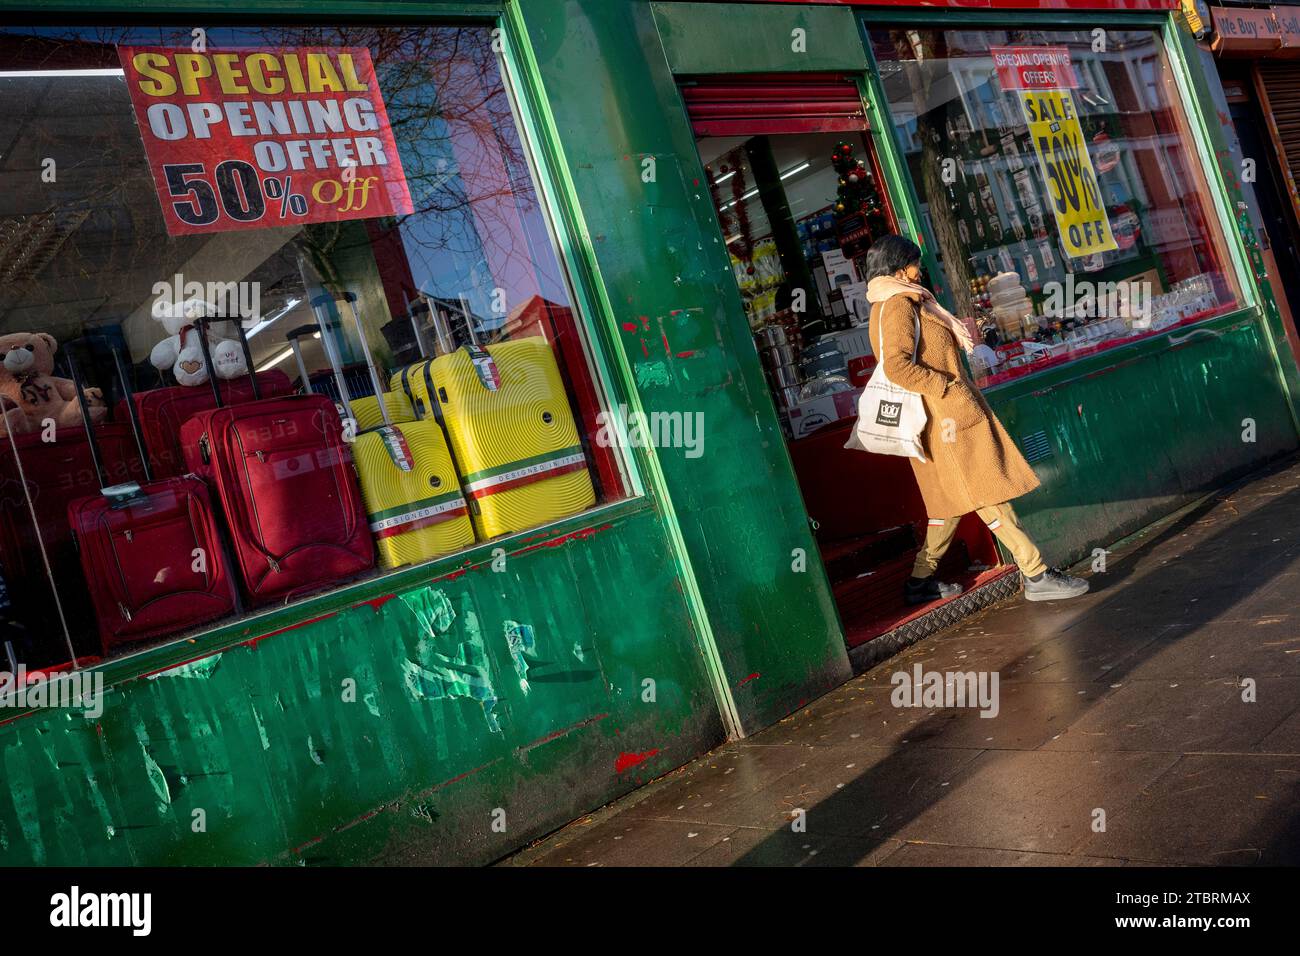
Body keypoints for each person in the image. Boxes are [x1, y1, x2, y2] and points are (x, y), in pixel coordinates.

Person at [855, 234, 1089, 604]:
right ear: (899, 268)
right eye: (915, 263)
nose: (921, 270)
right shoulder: (898, 303)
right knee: (987, 493)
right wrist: (949, 388)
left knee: (948, 505)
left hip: (943, 417)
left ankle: (920, 581)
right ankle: (1036, 573)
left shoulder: (904, 301)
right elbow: (898, 367)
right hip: (944, 419)